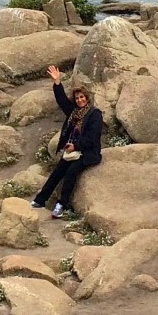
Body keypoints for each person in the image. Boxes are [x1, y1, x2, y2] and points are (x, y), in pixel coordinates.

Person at [31, 65, 103, 218]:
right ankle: (40, 200)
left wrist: (75, 146)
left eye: (82, 97)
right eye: (77, 98)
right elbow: (62, 100)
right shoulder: (74, 112)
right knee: (57, 172)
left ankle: (61, 205)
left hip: (87, 153)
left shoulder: (94, 115)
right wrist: (57, 82)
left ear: (87, 97)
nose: (80, 100)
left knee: (71, 173)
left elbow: (92, 138)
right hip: (73, 150)